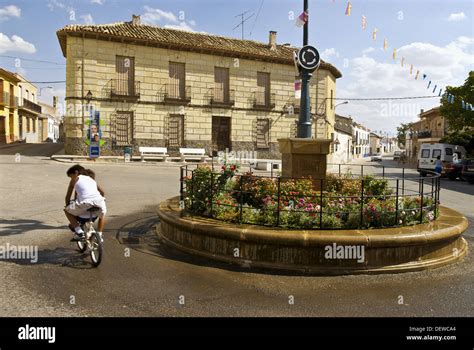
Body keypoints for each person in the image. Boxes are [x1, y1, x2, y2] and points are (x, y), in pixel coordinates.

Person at [64, 165, 107, 241]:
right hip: (99, 201)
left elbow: (68, 197)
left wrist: (68, 206)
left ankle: (79, 232)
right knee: (102, 215)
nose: (71, 178)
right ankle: (100, 235)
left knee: (67, 211)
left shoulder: (75, 179)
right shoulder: (91, 179)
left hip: (86, 203)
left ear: (76, 172)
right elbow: (102, 192)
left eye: (71, 176)